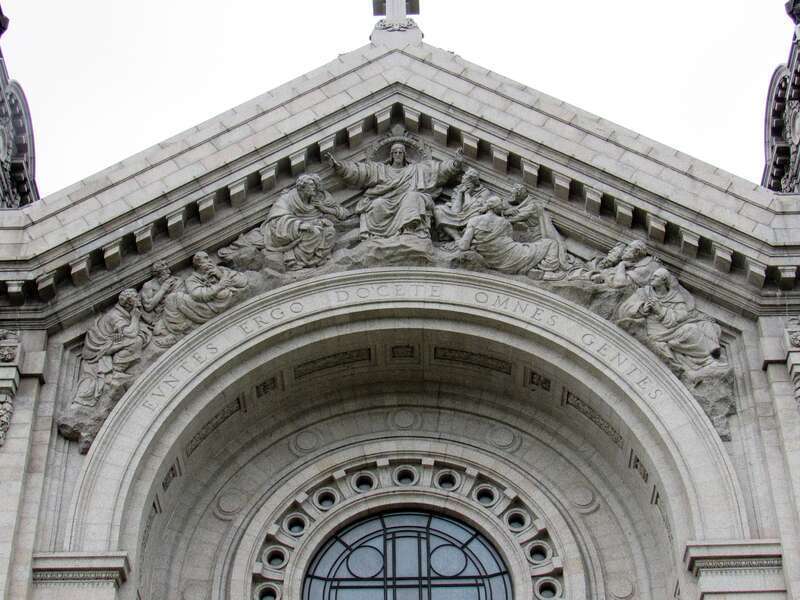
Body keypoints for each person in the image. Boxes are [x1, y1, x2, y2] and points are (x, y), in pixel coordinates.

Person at [326, 143, 462, 239]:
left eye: (400, 152)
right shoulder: (381, 169)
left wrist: (455, 164)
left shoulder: (416, 169)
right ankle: (377, 236)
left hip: (410, 198)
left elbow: (438, 170)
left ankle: (411, 231)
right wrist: (339, 166)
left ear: (404, 155)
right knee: (377, 203)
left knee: (412, 197)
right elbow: (360, 172)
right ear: (391, 155)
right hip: (387, 200)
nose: (398, 155)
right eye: (395, 152)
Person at [616, 267, 726, 379]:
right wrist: (642, 308)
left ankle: (709, 357)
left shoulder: (675, 296)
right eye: (653, 276)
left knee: (696, 327)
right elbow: (624, 309)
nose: (652, 278)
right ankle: (706, 361)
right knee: (691, 330)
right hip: (656, 331)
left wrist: (660, 310)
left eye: (656, 277)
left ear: (664, 280)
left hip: (672, 328)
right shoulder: (644, 292)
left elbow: (681, 316)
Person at [71, 288, 151, 408]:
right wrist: (135, 318)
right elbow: (131, 333)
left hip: (112, 342)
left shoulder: (125, 312)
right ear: (129, 302)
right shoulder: (115, 315)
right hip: (101, 348)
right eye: (136, 297)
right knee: (137, 340)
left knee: (141, 335)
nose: (139, 299)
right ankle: (116, 371)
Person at [458, 197, 570, 279]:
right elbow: (508, 242)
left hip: (490, 260)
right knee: (551, 243)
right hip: (511, 256)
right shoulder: (504, 223)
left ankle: (532, 269)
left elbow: (463, 246)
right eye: (501, 206)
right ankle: (546, 271)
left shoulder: (474, 221)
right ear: (497, 208)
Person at [157, 252, 248, 345]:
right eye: (206, 258)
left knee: (225, 293)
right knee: (173, 298)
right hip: (205, 309)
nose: (210, 260)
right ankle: (181, 331)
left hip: (228, 300)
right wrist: (219, 286)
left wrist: (220, 275)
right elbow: (197, 295)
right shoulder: (191, 279)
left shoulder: (220, 270)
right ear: (198, 263)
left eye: (209, 258)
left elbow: (243, 281)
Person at [265, 173, 349, 269]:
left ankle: (317, 259)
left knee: (330, 231)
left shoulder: (319, 198)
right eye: (312, 185)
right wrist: (299, 225)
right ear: (302, 187)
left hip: (315, 229)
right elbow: (276, 219)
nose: (314, 188)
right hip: (293, 231)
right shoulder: (287, 198)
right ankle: (297, 260)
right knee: (315, 232)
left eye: (316, 186)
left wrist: (325, 209)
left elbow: (345, 214)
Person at [433, 168, 497, 243]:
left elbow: (476, 208)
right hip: (459, 216)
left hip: (473, 215)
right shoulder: (459, 189)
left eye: (466, 179)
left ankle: (465, 238)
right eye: (464, 178)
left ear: (472, 181)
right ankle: (457, 238)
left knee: (476, 215)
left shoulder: (484, 192)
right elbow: (455, 211)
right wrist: (460, 193)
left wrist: (467, 194)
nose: (463, 179)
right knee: (438, 209)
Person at [593, 240, 661, 288]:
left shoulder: (645, 267)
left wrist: (621, 265)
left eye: (629, 247)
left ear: (637, 252)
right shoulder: (630, 264)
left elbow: (620, 283)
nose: (625, 249)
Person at [140, 260, 180, 326]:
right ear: (157, 272)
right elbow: (148, 306)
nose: (169, 272)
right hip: (164, 315)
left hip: (179, 308)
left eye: (168, 269)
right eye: (165, 270)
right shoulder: (149, 285)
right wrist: (163, 289)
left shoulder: (175, 279)